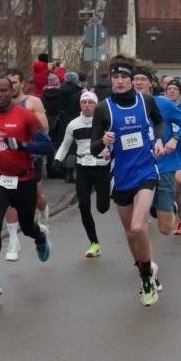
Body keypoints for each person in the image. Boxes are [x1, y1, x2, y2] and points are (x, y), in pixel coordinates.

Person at [90, 56, 167, 306]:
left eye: (125, 77)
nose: (120, 81)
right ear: (111, 80)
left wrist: (158, 140)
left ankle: (146, 278)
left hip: (146, 172)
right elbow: (93, 148)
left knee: (138, 227)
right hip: (120, 177)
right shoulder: (104, 109)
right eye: (116, 77)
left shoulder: (145, 101)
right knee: (130, 234)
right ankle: (147, 270)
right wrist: (105, 142)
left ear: (132, 80)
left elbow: (159, 122)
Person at [0, 78, 53, 296]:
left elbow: (47, 145)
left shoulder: (26, 116)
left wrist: (23, 145)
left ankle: (40, 238)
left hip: (24, 181)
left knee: (28, 226)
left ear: (13, 91)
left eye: (4, 90)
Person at [55, 91, 111, 257]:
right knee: (83, 206)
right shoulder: (73, 124)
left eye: (90, 103)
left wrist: (109, 151)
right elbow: (65, 145)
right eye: (84, 102)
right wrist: (58, 159)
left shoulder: (105, 122)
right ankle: (94, 243)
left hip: (102, 166)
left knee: (103, 208)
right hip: (83, 167)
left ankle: (105, 201)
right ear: (80, 105)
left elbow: (113, 141)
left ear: (96, 104)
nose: (87, 105)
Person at [4, 69, 51, 260]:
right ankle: (13, 240)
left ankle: (44, 216)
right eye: (8, 83)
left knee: (37, 198)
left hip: (31, 157)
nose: (11, 86)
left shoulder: (32, 102)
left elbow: (44, 129)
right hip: (9, 160)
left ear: (22, 83)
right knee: (10, 198)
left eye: (14, 82)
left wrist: (23, 139)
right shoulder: (2, 104)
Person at [155, 79, 181, 236]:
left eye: (175, 89)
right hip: (166, 153)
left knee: (179, 180)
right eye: (169, 89)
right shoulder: (159, 107)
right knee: (173, 189)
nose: (171, 91)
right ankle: (180, 219)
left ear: (180, 92)